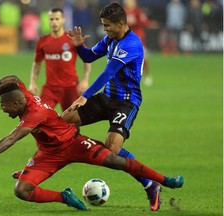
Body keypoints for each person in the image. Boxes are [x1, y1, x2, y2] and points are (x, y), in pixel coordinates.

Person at [0, 75, 184, 211]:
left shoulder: (34, 114)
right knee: (22, 191)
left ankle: (165, 180)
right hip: (49, 154)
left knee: (115, 159)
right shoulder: (25, 97)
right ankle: (64, 196)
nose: (2, 109)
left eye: (4, 106)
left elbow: (11, 138)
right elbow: (14, 79)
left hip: (74, 143)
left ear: (17, 103)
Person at [61, 2, 160, 211]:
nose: (104, 29)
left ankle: (150, 185)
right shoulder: (111, 39)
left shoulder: (131, 44)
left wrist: (84, 96)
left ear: (121, 23)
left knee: (112, 149)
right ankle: (34, 169)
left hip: (126, 102)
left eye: (107, 25)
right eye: (103, 25)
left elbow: (108, 73)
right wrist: (80, 46)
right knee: (62, 120)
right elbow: (89, 56)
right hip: (106, 98)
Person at [29, 7, 91, 112]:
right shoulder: (43, 41)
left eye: (57, 19)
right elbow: (37, 63)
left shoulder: (72, 39)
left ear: (63, 20)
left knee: (72, 122)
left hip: (70, 87)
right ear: (48, 20)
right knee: (39, 115)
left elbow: (87, 59)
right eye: (51, 19)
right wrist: (33, 81)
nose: (54, 22)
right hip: (50, 88)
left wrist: (85, 80)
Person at [123, 0, 156, 86]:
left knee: (144, 57)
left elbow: (144, 21)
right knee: (126, 58)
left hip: (138, 37)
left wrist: (150, 23)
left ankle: (147, 75)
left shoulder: (138, 11)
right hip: (127, 38)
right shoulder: (123, 12)